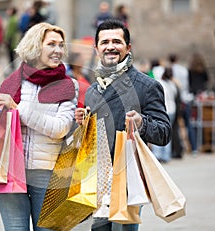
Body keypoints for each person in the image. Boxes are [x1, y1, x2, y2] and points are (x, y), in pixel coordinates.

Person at [0, 22, 78, 231]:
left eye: (61, 45)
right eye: (51, 44)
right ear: (35, 46)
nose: (58, 50)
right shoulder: (12, 82)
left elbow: (60, 128)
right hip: (10, 170)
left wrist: (16, 107)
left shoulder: (68, 85)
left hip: (48, 173)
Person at [75, 19, 171, 231]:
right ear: (97, 48)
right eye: (105, 42)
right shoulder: (92, 91)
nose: (110, 46)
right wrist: (82, 126)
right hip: (96, 182)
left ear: (128, 48)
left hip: (128, 180)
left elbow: (164, 133)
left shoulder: (147, 86)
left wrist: (142, 123)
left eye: (117, 41)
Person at [169, 53, 197, 155]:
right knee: (188, 124)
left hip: (177, 100)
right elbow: (187, 84)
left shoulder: (171, 70)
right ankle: (194, 148)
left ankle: (175, 150)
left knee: (174, 126)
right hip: (186, 98)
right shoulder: (184, 70)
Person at [152, 67, 178, 163]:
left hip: (164, 110)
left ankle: (158, 154)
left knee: (157, 131)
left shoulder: (159, 83)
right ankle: (166, 155)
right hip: (172, 110)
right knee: (167, 133)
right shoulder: (171, 84)